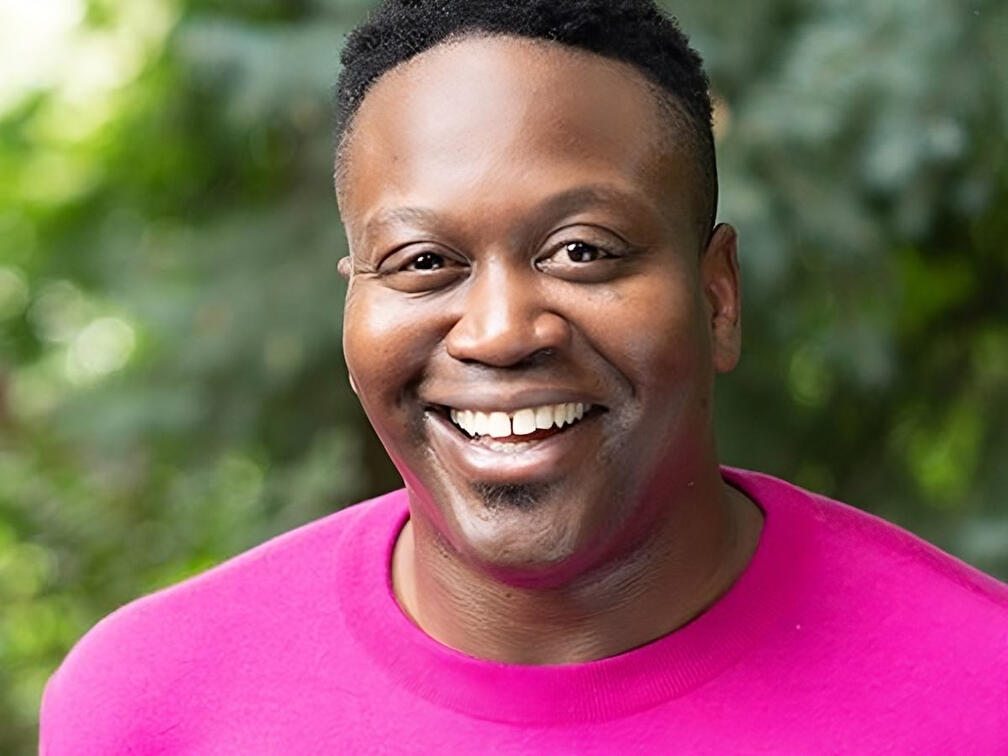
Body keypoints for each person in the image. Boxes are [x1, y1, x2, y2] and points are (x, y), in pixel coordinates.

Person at [40, 1, 1007, 752]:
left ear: (716, 298)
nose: (501, 333)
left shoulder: (980, 690)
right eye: (424, 262)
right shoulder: (154, 709)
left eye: (582, 251)